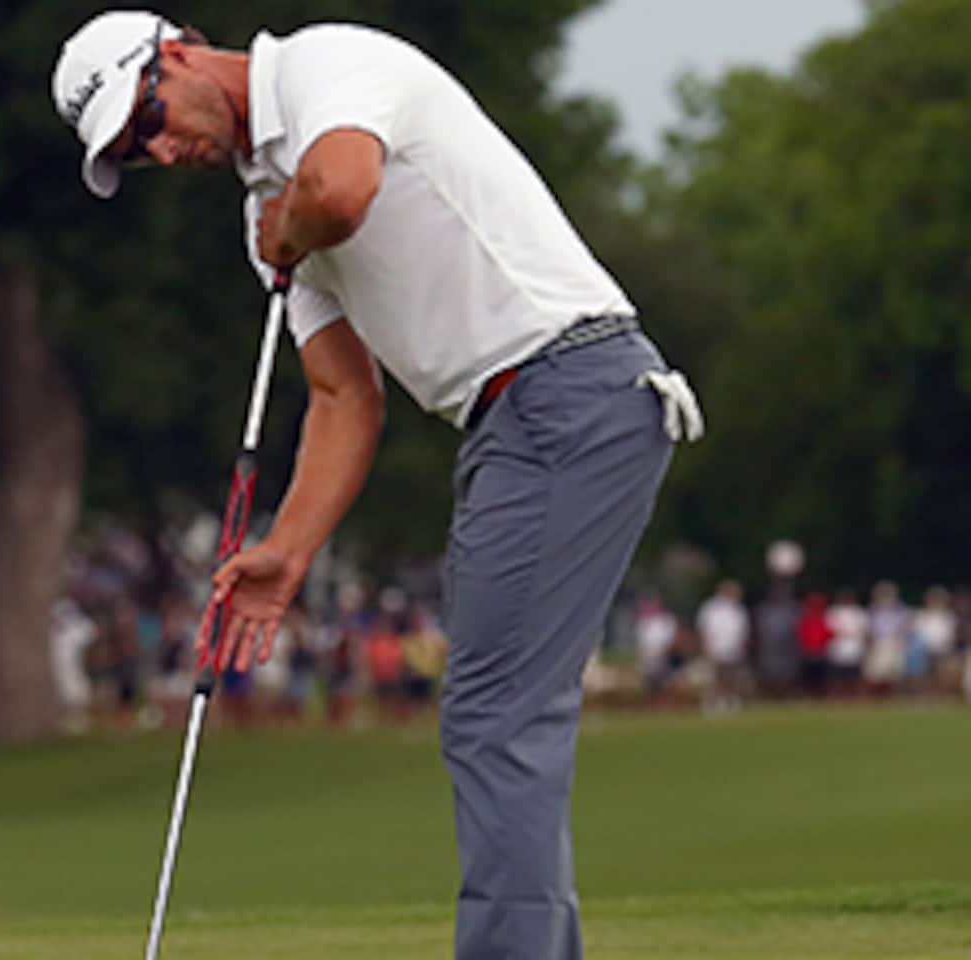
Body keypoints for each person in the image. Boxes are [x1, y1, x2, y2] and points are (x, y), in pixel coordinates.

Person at [51, 14, 704, 957]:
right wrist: (289, 548)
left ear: (180, 53)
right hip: (511, 420)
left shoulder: (327, 66)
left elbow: (343, 190)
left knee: (497, 717)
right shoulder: (267, 215)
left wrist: (287, 230)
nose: (162, 149)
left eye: (148, 117)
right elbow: (343, 396)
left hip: (570, 385)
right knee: (495, 714)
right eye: (135, 153)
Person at [696, 579, 750, 711]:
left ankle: (731, 702)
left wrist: (741, 647)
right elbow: (704, 628)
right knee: (714, 677)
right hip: (715, 648)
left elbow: (743, 631)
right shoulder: (710, 608)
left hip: (733, 649)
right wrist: (707, 647)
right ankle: (712, 703)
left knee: (731, 677)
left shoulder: (739, 610)